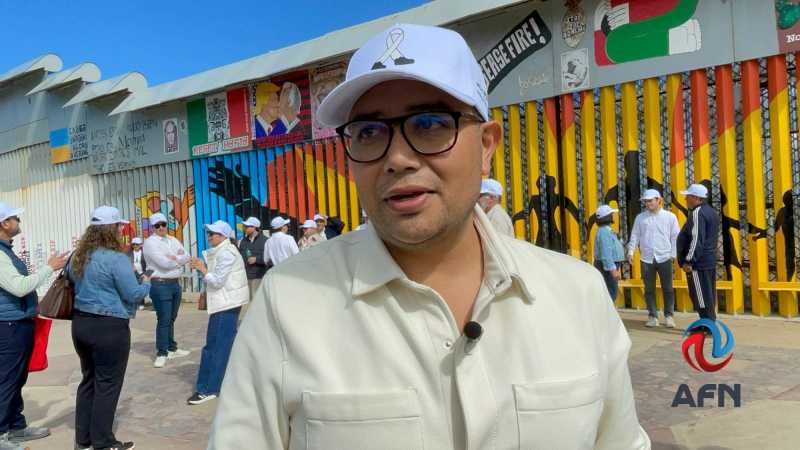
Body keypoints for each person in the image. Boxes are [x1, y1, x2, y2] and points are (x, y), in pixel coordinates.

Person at [209, 23, 649, 449]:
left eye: (430, 124)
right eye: (368, 132)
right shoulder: (289, 303)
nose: (398, 158)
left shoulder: (578, 296)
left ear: (487, 146)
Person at [67, 206, 150, 450]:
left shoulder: (78, 256)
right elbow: (133, 294)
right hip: (109, 326)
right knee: (107, 384)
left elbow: (72, 282)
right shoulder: (116, 258)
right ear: (112, 229)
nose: (121, 229)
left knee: (88, 381)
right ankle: (103, 442)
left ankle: (83, 440)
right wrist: (146, 283)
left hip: (81, 324)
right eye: (119, 226)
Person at [0, 203, 66, 450]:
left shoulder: (7, 250)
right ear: (4, 223)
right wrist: (49, 267)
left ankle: (16, 427)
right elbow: (19, 287)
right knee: (6, 380)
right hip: (9, 326)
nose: (19, 221)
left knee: (16, 379)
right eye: (15, 218)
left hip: (18, 323)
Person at [188, 221, 249, 406]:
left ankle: (208, 388)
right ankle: (219, 383)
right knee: (221, 346)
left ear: (223, 236)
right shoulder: (223, 251)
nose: (209, 236)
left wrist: (202, 268)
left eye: (212, 233)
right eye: (208, 233)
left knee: (215, 347)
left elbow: (217, 281)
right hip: (225, 302)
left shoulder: (227, 253)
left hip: (225, 304)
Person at [142, 212, 191, 368]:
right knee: (164, 319)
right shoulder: (150, 243)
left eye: (163, 224)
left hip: (175, 284)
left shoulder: (172, 239)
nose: (161, 227)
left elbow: (187, 255)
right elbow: (163, 263)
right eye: (157, 226)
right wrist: (178, 259)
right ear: (152, 227)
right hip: (160, 284)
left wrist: (175, 258)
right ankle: (162, 352)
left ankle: (171, 347)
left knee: (171, 318)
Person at [627, 189, 680, 328]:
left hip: (665, 257)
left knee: (668, 288)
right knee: (649, 289)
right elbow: (635, 235)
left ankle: (669, 316)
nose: (647, 203)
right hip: (646, 258)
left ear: (658, 200)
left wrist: (673, 254)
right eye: (645, 201)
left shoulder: (670, 217)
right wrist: (630, 252)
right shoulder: (640, 218)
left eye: (650, 201)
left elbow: (675, 236)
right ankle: (652, 316)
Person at [677, 183, 720, 322]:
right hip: (708, 260)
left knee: (700, 296)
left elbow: (697, 240)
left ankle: (707, 324)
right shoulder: (711, 212)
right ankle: (709, 322)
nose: (686, 199)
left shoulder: (697, 213)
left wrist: (689, 260)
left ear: (696, 198)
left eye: (688, 196)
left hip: (699, 263)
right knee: (708, 294)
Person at [594, 205, 625, 300]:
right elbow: (606, 253)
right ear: (607, 217)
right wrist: (613, 270)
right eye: (611, 214)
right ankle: (608, 309)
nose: (613, 216)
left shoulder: (606, 231)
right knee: (611, 293)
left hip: (609, 264)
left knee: (610, 292)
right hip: (607, 266)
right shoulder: (604, 232)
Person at [237, 217, 268, 298]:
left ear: (254, 227)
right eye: (244, 226)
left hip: (259, 277)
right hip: (246, 277)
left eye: (247, 226)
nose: (244, 228)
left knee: (258, 300)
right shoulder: (243, 241)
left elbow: (269, 258)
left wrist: (257, 259)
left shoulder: (265, 241)